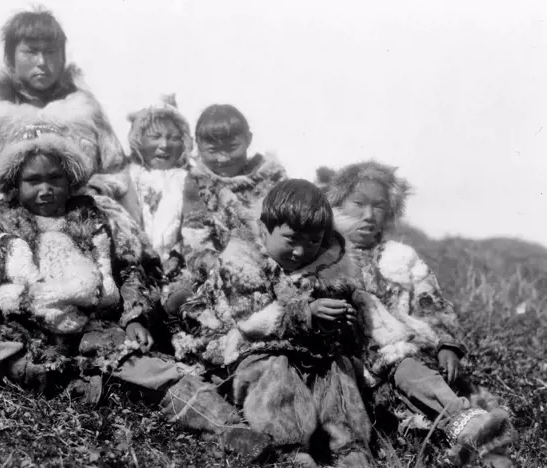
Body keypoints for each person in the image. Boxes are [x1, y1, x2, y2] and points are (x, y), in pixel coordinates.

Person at [0, 107, 270, 459]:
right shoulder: (1, 223)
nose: (45, 190)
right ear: (14, 182)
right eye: (33, 180)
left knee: (154, 367)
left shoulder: (92, 217)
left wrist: (134, 318)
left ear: (71, 178)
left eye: (54, 178)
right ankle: (75, 381)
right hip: (29, 329)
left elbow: (130, 269)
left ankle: (228, 428)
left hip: (94, 328)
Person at [321, 161, 515, 467]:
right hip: (354, 361)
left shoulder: (402, 258)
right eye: (358, 204)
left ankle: (479, 439)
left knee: (422, 376)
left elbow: (432, 303)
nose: (369, 216)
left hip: (406, 358)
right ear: (337, 203)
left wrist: (446, 343)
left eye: (379, 206)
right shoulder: (325, 257)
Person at [171, 179, 374, 468]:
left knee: (336, 368)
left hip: (301, 353)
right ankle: (288, 449)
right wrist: (306, 313)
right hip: (238, 351)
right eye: (291, 239)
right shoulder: (241, 260)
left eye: (313, 241)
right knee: (276, 368)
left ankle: (350, 449)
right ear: (264, 231)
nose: (302, 252)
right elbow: (249, 321)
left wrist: (336, 323)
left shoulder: (329, 266)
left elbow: (328, 329)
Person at [0, 8, 142, 225]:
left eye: (50, 52)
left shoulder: (86, 114)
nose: (42, 62)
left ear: (63, 56)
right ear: (10, 59)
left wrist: (89, 192)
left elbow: (118, 172)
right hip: (7, 227)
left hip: (82, 224)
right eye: (31, 52)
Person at [163, 103, 287, 315]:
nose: (223, 158)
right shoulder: (199, 182)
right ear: (198, 146)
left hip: (274, 261)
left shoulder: (271, 176)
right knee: (183, 299)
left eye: (231, 148)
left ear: (248, 139)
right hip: (220, 265)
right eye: (213, 150)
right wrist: (225, 268)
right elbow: (196, 238)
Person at [126, 94, 192, 266]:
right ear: (138, 140)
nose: (164, 145)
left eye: (174, 138)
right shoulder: (125, 179)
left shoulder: (191, 181)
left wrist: (178, 255)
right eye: (155, 137)